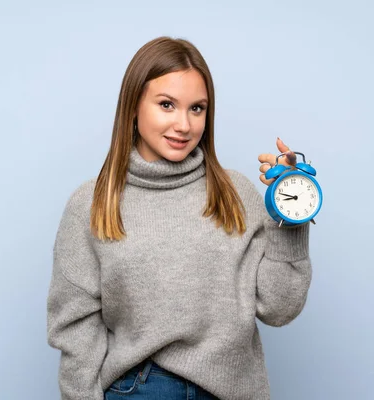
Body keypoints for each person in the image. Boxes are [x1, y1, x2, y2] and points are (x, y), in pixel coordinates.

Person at [46, 36, 312, 400]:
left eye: (197, 108)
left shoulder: (237, 193)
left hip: (233, 390)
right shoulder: (92, 204)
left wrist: (289, 213)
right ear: (133, 107)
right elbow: (76, 330)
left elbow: (279, 309)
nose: (184, 125)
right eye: (167, 104)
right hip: (139, 388)